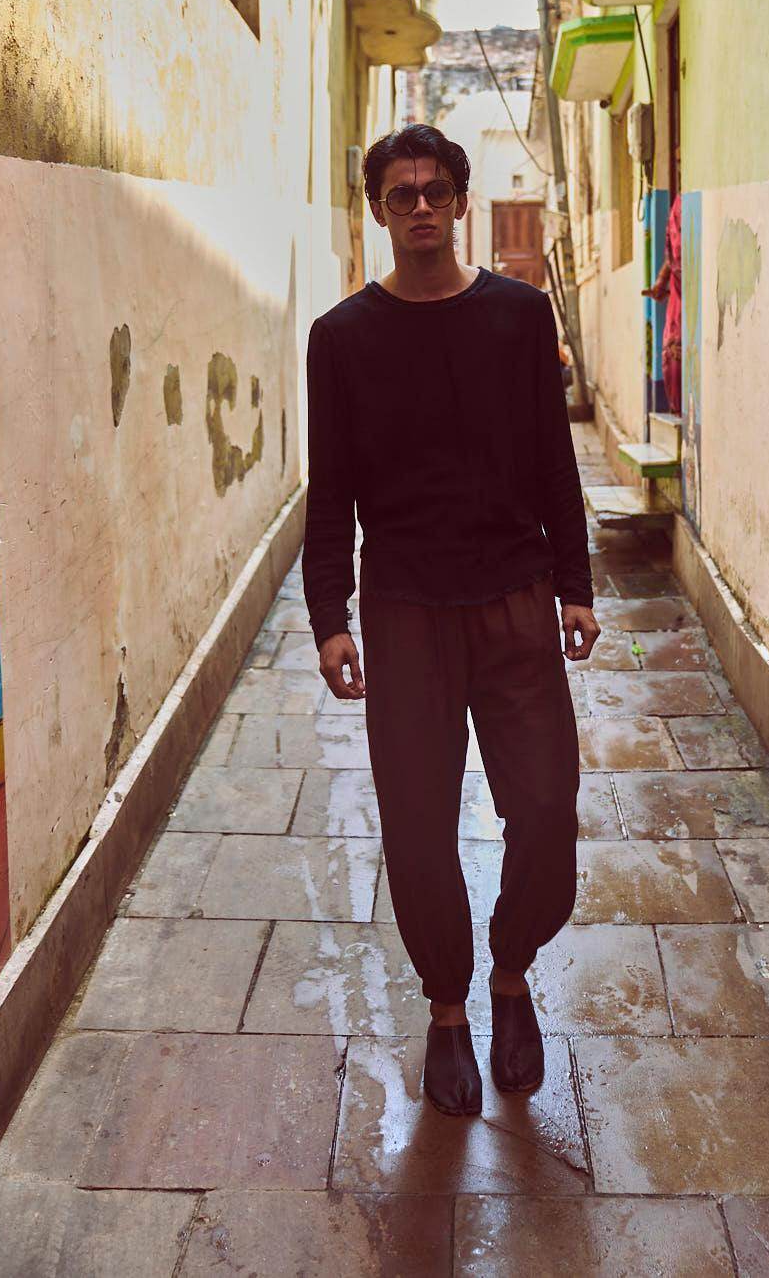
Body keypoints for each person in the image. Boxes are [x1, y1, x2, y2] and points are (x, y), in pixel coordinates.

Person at [303, 123, 599, 1116]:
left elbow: (554, 457)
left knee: (547, 811)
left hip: (515, 600)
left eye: (437, 190)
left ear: (462, 201)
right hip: (403, 612)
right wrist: (329, 616)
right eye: (402, 193)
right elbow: (329, 492)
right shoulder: (342, 338)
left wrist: (575, 584)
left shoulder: (518, 316)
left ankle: (510, 971)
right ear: (379, 210)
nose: (421, 206)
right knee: (420, 831)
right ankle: (446, 1008)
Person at [644, 166, 682, 415]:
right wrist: (661, 281)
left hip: (689, 294)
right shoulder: (677, 208)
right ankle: (677, 408)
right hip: (678, 293)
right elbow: (673, 253)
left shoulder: (684, 207)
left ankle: (679, 409)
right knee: (673, 349)